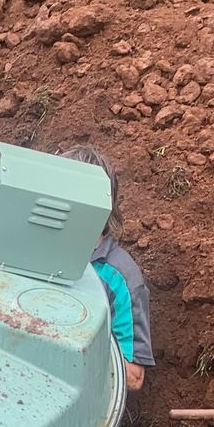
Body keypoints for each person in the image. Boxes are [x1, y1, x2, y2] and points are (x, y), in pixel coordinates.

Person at [58, 145, 152, 393]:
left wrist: (67, 347)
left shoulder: (119, 275)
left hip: (77, 401)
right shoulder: (33, 246)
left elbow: (132, 376)